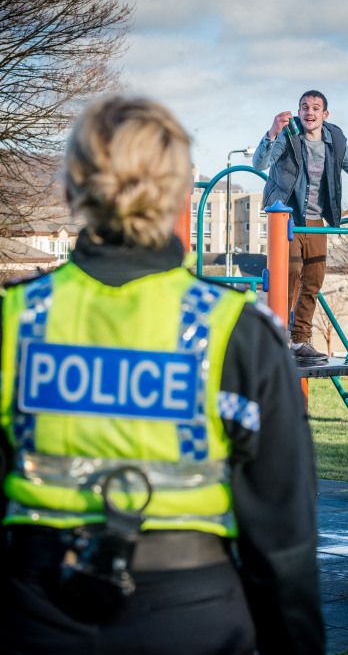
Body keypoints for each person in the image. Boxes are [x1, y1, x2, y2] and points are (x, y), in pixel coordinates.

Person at [0, 96, 325, 655]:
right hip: (194, 619)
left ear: (74, 188)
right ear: (180, 192)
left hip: (33, 614)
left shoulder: (15, 321)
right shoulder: (237, 331)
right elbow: (285, 540)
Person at [253, 90, 348, 365]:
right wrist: (271, 133)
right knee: (287, 275)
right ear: (299, 112)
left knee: (313, 279)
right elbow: (260, 163)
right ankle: (276, 337)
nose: (309, 113)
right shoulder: (289, 133)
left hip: (315, 220)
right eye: (304, 108)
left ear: (325, 114)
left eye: (315, 108)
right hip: (285, 214)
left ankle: (300, 340)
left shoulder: (333, 139)